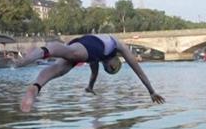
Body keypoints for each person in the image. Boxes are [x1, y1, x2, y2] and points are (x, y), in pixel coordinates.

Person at [16, 34, 165, 112]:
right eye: (112, 68)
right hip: (88, 45)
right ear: (116, 61)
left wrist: (90, 87)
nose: (109, 68)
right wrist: (151, 91)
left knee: (57, 70)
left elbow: (94, 73)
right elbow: (138, 71)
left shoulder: (98, 58)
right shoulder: (119, 47)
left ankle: (36, 86)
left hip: (84, 43)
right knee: (67, 52)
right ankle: (42, 52)